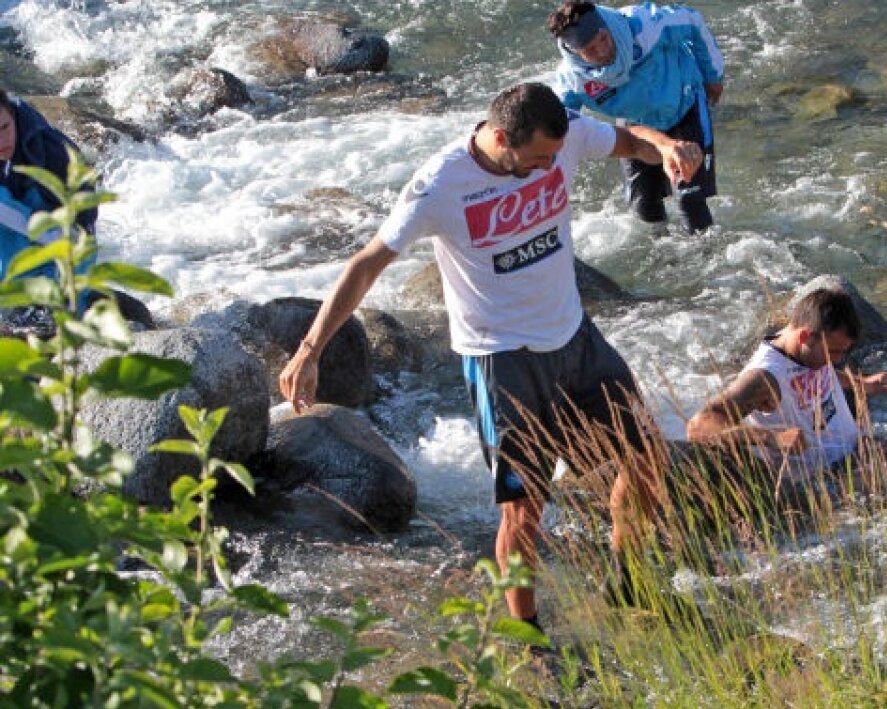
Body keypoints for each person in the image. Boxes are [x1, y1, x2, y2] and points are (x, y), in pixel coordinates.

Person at [279, 82, 705, 631]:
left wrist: (665, 145)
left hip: (574, 337)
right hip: (503, 361)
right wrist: (311, 348)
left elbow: (627, 142)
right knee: (523, 509)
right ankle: (525, 633)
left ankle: (627, 581)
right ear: (501, 137)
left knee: (646, 454)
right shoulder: (440, 185)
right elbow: (366, 263)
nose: (548, 169)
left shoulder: (562, 135)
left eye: (553, 159)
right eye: (535, 162)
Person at [547, 1, 724, 233]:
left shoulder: (645, 26)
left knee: (689, 199)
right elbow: (556, 129)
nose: (602, 50)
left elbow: (692, 20)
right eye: (590, 49)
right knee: (644, 208)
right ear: (575, 53)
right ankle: (666, 259)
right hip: (636, 125)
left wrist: (713, 75)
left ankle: (706, 257)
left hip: (685, 104)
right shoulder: (573, 81)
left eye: (603, 38)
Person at [686, 288, 887, 477]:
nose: (838, 359)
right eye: (833, 351)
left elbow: (818, 374)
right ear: (804, 336)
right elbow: (699, 427)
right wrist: (772, 438)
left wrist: (860, 383)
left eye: (843, 351)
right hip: (825, 475)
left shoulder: (807, 351)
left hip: (856, 447)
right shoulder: (764, 377)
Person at [0, 89, 97, 281]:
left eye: (4, 127)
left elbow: (83, 229)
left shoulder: (55, 154)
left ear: (12, 115)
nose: (1, 141)